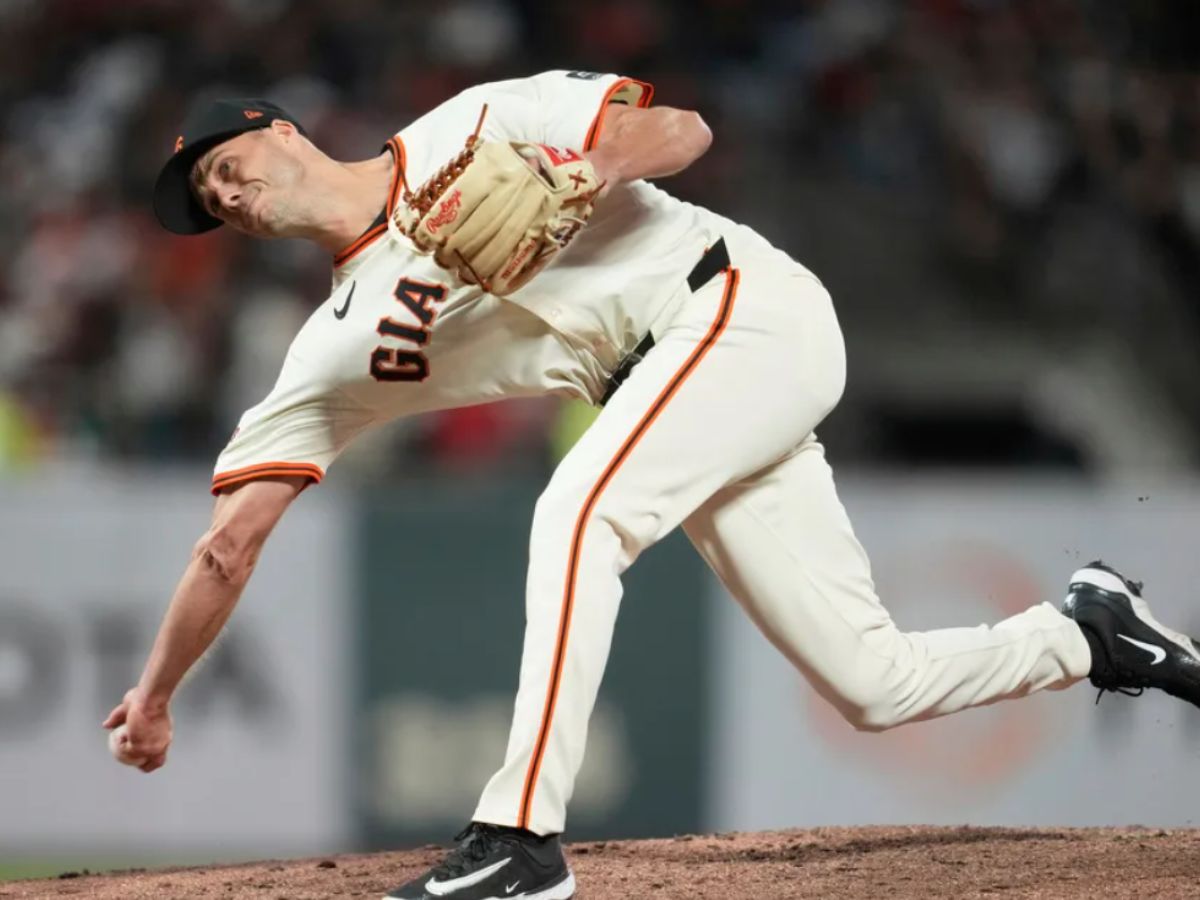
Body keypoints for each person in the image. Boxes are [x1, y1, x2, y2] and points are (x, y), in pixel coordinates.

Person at [104, 71, 1200, 900]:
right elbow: (228, 544)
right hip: (689, 401)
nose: (225, 195)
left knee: (579, 512)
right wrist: (153, 696)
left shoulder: (469, 125)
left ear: (280, 130)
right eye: (207, 197)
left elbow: (682, 130)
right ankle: (1091, 634)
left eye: (224, 166)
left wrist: (587, 168)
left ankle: (519, 839)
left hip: (739, 307)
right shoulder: (330, 353)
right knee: (874, 685)